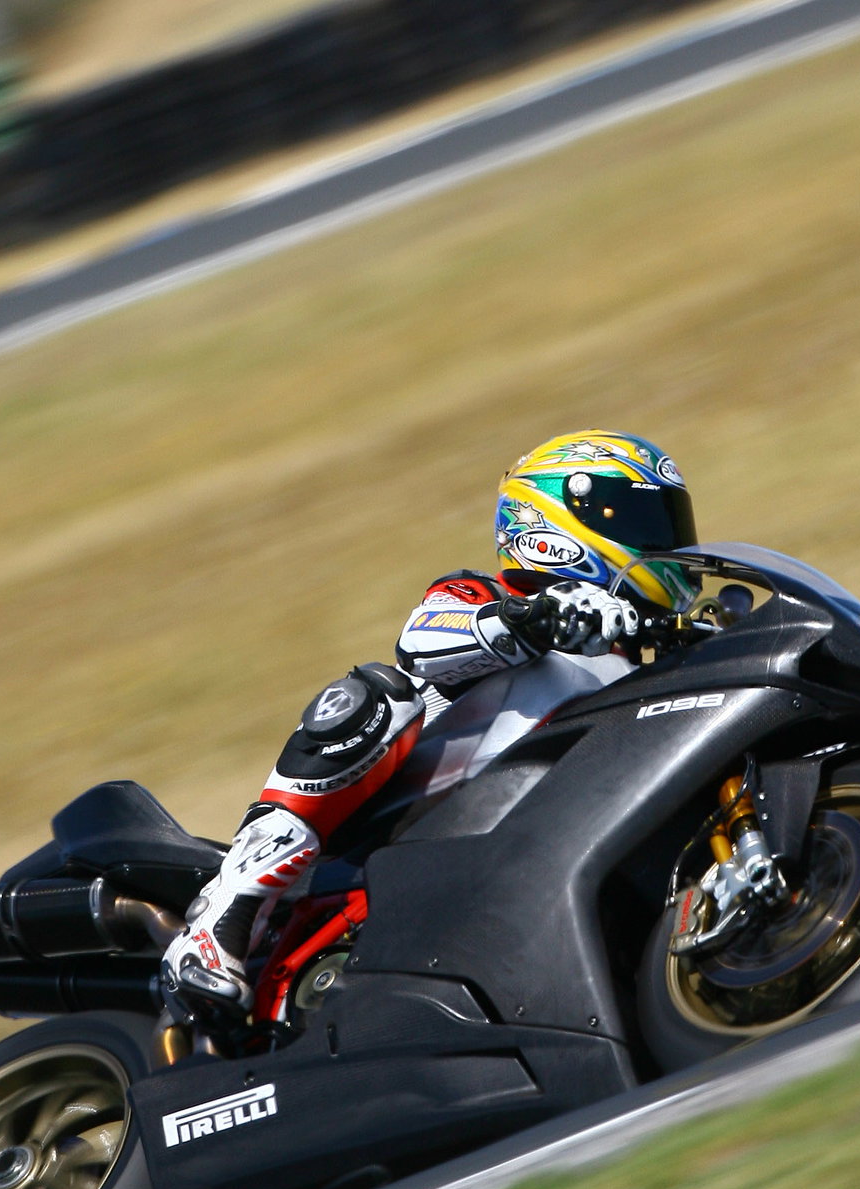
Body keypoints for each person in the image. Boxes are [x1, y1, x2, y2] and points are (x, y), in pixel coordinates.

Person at [160, 431, 698, 1020]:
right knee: (373, 697)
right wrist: (536, 621)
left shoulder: (633, 660)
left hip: (527, 858)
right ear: (553, 525)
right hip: (389, 842)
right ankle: (224, 915)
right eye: (640, 522)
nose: (663, 545)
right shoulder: (482, 596)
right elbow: (420, 641)